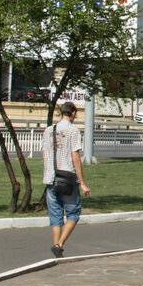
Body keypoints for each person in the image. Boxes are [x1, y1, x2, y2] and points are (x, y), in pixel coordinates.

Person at [42, 101, 91, 258]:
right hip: (67, 179)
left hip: (50, 179)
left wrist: (48, 171)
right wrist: (82, 182)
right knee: (73, 213)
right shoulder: (73, 131)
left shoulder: (49, 130)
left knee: (55, 215)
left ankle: (56, 247)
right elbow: (75, 157)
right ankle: (59, 244)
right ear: (73, 113)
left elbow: (44, 154)